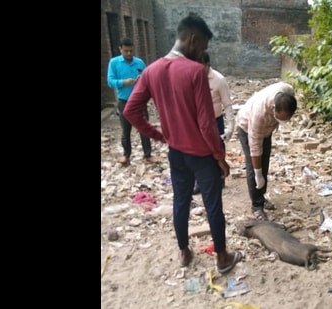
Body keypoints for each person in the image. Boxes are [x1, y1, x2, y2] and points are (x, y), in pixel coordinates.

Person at [123, 12, 243, 273]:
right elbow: (206, 123)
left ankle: (184, 252)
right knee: (213, 206)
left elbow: (130, 111)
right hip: (201, 155)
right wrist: (220, 157)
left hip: (176, 153)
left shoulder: (151, 70)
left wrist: (159, 135)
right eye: (202, 47)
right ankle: (222, 257)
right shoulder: (196, 71)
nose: (202, 54)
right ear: (192, 40)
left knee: (181, 201)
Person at [235, 82, 297, 221]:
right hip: (247, 127)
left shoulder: (287, 91)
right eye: (280, 118)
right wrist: (258, 174)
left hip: (267, 129)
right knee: (255, 167)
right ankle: (256, 206)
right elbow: (255, 148)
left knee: (265, 161)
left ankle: (261, 197)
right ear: (274, 109)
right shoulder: (259, 113)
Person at [106, 37, 157, 166]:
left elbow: (148, 79)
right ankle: (126, 155)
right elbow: (110, 81)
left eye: (130, 51)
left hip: (140, 101)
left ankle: (148, 154)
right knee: (126, 129)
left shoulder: (139, 63)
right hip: (124, 101)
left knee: (144, 127)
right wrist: (123, 82)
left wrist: (142, 80)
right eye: (126, 51)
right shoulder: (114, 63)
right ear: (120, 49)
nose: (129, 53)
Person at [193, 51, 235, 194]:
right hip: (197, 121)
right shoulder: (192, 78)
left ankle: (220, 178)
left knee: (217, 148)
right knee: (198, 151)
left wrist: (230, 126)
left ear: (207, 65)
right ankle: (199, 182)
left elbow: (227, 104)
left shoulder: (218, 80)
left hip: (215, 121)